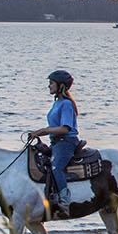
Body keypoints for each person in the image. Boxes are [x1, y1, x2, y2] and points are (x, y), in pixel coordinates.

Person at [28, 69, 80, 207]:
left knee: (57, 167)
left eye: (51, 83)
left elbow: (65, 128)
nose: (49, 86)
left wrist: (42, 131)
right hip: (56, 142)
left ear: (61, 85)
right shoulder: (58, 103)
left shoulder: (67, 104)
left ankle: (64, 198)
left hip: (66, 142)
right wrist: (38, 133)